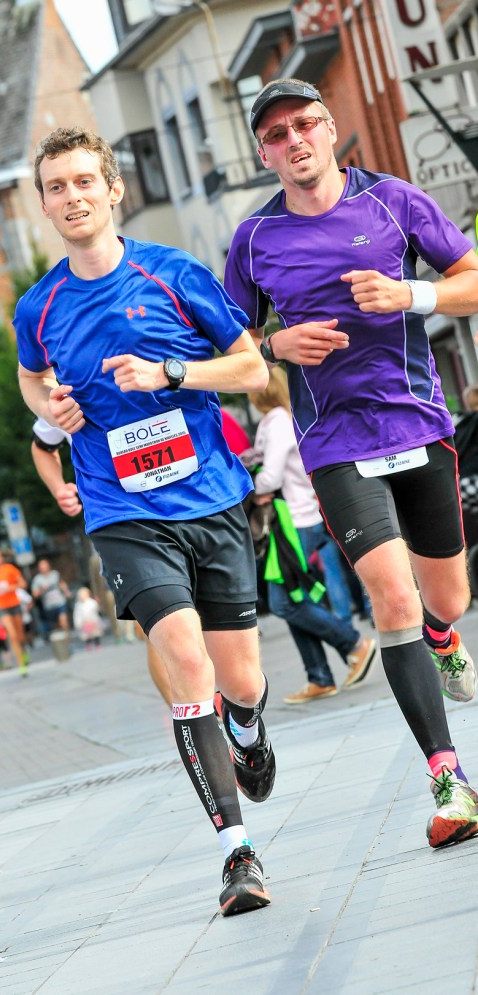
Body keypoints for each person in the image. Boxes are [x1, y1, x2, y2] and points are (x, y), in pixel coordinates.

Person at [13, 126, 274, 916]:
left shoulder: (174, 273)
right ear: (44, 203)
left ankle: (248, 727)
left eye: (83, 181)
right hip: (121, 507)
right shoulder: (38, 305)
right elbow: (30, 378)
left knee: (241, 679)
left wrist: (171, 370)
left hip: (210, 496)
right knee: (186, 663)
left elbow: (252, 367)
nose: (72, 197)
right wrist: (51, 405)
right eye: (56, 187)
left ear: (113, 188)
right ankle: (237, 853)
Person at [225, 76, 478, 848]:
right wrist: (275, 344)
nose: (294, 140)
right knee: (393, 603)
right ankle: (449, 779)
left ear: (330, 129)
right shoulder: (254, 240)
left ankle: (443, 635)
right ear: (264, 154)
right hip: (335, 445)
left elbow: (471, 280)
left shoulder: (392, 201)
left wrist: (410, 296)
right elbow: (228, 346)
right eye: (276, 134)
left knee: (447, 598)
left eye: (305, 124)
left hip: (420, 424)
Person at [249, 366, 376, 702]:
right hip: (294, 519)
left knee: (284, 602)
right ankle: (319, 676)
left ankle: (354, 644)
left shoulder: (277, 421)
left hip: (296, 521)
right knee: (295, 598)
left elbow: (271, 477)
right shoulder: (280, 419)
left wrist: (249, 488)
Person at [0, 549, 29, 675]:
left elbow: (23, 584)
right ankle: (21, 665)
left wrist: (9, 588)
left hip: (14, 604)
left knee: (20, 635)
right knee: (12, 635)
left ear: (1, 558)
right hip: (3, 607)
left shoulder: (10, 569)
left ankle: (23, 650)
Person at [30, 558, 71, 638]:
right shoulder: (37, 579)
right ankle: (61, 640)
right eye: (42, 567)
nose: (44, 568)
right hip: (49, 606)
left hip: (60, 602)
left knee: (63, 620)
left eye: (45, 566)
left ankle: (67, 637)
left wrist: (66, 591)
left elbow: (62, 583)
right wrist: (42, 590)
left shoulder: (55, 574)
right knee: (56, 625)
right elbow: (34, 594)